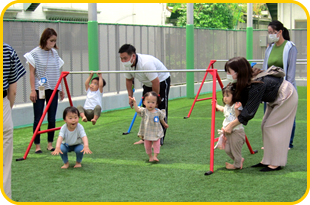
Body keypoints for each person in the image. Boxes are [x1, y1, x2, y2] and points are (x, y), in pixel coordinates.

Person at [223, 57, 298, 172]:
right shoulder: (246, 80)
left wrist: (231, 125)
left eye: (229, 72)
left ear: (239, 72)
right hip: (274, 97)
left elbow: (249, 112)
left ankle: (276, 163)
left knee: (271, 127)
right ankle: (267, 160)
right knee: (264, 125)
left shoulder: (256, 85)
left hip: (286, 95)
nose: (227, 75)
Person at [118, 44, 171, 145]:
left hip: (161, 81)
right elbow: (129, 80)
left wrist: (156, 101)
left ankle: (159, 139)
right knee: (145, 110)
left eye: (125, 58)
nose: (123, 61)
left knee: (159, 109)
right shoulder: (127, 65)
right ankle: (145, 138)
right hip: (147, 83)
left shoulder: (146, 63)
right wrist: (130, 97)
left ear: (133, 56)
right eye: (121, 58)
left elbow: (156, 82)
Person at [24, 28, 65, 154]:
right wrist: (32, 90)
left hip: (53, 88)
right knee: (38, 117)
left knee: (52, 117)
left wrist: (61, 88)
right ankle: (37, 145)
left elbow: (58, 72)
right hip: (39, 88)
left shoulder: (54, 54)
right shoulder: (34, 54)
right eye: (51, 40)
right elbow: (31, 73)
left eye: (55, 41)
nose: (53, 43)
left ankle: (50, 144)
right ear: (44, 39)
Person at [262, 20, 298, 149]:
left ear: (280, 32)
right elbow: (265, 67)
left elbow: (291, 70)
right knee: (268, 115)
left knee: (287, 115)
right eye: (269, 32)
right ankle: (270, 142)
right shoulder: (270, 48)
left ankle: (288, 142)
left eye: (272, 32)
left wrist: (288, 88)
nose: (270, 35)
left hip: (284, 86)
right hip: (269, 86)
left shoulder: (290, 47)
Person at [3, 43, 26, 199]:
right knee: (4, 163)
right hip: (2, 104)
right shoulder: (7, 50)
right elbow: (13, 89)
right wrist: (7, 108)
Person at [129, 91, 168, 162]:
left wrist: (164, 124)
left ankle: (155, 156)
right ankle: (150, 157)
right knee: (147, 146)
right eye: (148, 102)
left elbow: (161, 118)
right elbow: (137, 109)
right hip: (147, 132)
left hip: (156, 131)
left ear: (156, 104)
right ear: (144, 103)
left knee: (157, 144)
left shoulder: (158, 112)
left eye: (153, 102)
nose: (150, 104)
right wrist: (134, 102)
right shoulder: (144, 111)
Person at [214, 84, 245, 170]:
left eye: (227, 96)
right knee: (227, 149)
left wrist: (236, 109)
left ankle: (237, 165)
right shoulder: (227, 107)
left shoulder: (236, 105)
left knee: (235, 151)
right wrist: (216, 105)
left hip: (236, 132)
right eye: (224, 96)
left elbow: (238, 117)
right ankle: (238, 160)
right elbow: (222, 109)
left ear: (234, 96)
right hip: (227, 132)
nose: (225, 98)